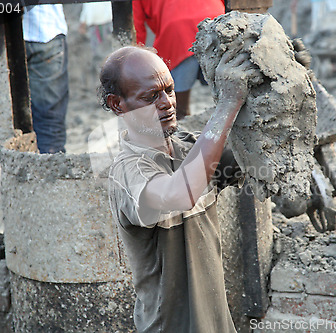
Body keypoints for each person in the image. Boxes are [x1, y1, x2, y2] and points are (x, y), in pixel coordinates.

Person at [101, 46, 258, 332]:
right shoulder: (127, 172)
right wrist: (227, 104)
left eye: (169, 90)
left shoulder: (190, 149)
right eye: (151, 97)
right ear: (117, 104)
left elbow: (257, 152)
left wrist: (275, 79)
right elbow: (180, 194)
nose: (167, 103)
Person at [0, 4, 68, 154]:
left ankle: (21, 175)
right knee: (49, 123)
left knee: (11, 125)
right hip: (44, 27)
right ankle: (50, 175)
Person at [133, 0, 225, 119]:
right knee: (228, 90)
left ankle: (182, 119)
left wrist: (134, 61)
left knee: (177, 106)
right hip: (215, 18)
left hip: (178, 30)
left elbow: (136, 27)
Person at [79, 1, 113, 88]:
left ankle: (109, 80)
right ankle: (103, 81)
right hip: (94, 25)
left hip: (104, 22)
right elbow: (87, 6)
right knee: (97, 55)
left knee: (107, 54)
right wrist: (83, 21)